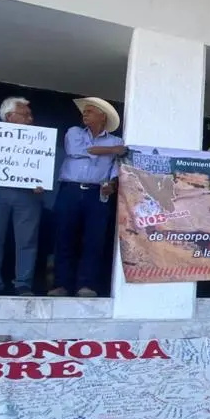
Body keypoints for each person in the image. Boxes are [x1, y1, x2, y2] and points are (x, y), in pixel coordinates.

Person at [49, 96, 126, 298]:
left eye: (90, 111)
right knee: (64, 237)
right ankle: (61, 284)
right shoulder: (74, 132)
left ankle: (87, 284)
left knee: (94, 240)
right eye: (85, 111)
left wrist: (112, 184)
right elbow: (76, 151)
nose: (85, 114)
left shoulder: (116, 141)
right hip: (70, 190)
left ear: (103, 117)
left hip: (97, 193)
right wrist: (112, 151)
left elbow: (116, 168)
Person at [0, 97, 41, 296]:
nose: (30, 119)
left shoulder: (39, 138)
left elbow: (44, 165)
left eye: (30, 115)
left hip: (27, 194)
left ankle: (23, 283)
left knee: (27, 240)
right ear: (9, 116)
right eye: (25, 115)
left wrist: (42, 182)